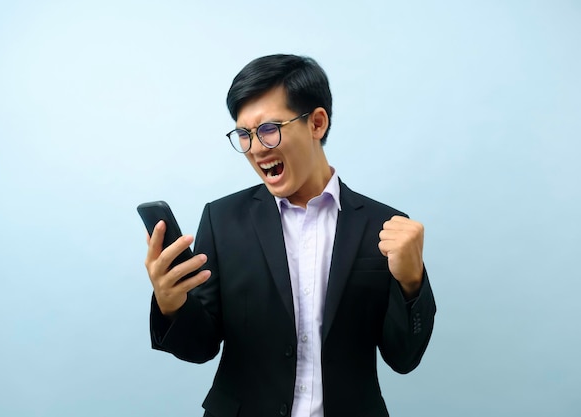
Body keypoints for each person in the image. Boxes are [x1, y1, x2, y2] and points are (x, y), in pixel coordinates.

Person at [144, 54, 436, 417]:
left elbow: (404, 357)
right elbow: (199, 347)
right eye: (244, 134)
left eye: (268, 129)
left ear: (316, 123)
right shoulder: (222, 220)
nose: (255, 148)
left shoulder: (385, 226)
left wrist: (411, 283)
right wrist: (171, 304)